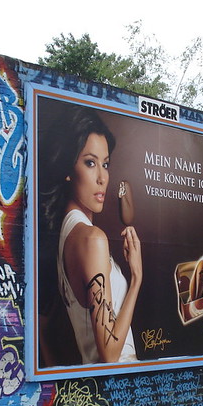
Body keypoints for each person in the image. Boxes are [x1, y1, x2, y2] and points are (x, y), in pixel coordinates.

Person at [39, 104, 141, 364]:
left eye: (105, 164)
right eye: (90, 163)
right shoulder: (92, 239)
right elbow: (108, 353)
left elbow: (44, 330)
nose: (102, 178)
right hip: (120, 382)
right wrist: (137, 279)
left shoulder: (66, 234)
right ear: (68, 170)